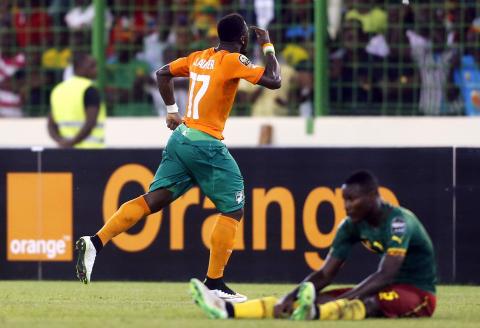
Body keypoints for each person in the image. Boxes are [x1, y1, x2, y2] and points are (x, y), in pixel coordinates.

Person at [75, 13, 281, 303]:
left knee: (154, 199)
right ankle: (215, 283)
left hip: (180, 139)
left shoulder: (199, 57)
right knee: (233, 209)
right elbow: (274, 80)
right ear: (244, 39)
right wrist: (269, 46)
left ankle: (96, 241)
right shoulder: (235, 61)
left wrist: (172, 110)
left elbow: (162, 73)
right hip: (206, 143)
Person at [190, 170, 437, 319]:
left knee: (367, 303)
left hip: (418, 294)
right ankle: (227, 310)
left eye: (352, 199)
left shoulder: (399, 222)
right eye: (344, 200)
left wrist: (346, 299)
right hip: (385, 287)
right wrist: (291, 295)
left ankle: (317, 314)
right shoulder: (351, 224)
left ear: (373, 196)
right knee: (309, 300)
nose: (347, 206)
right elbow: (325, 273)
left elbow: (386, 274)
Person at [48, 53, 106, 148]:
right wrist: (73, 142)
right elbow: (91, 122)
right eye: (92, 66)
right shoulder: (90, 89)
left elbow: (50, 125)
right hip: (91, 151)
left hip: (67, 151)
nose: (96, 70)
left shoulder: (57, 90)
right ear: (79, 68)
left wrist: (61, 142)